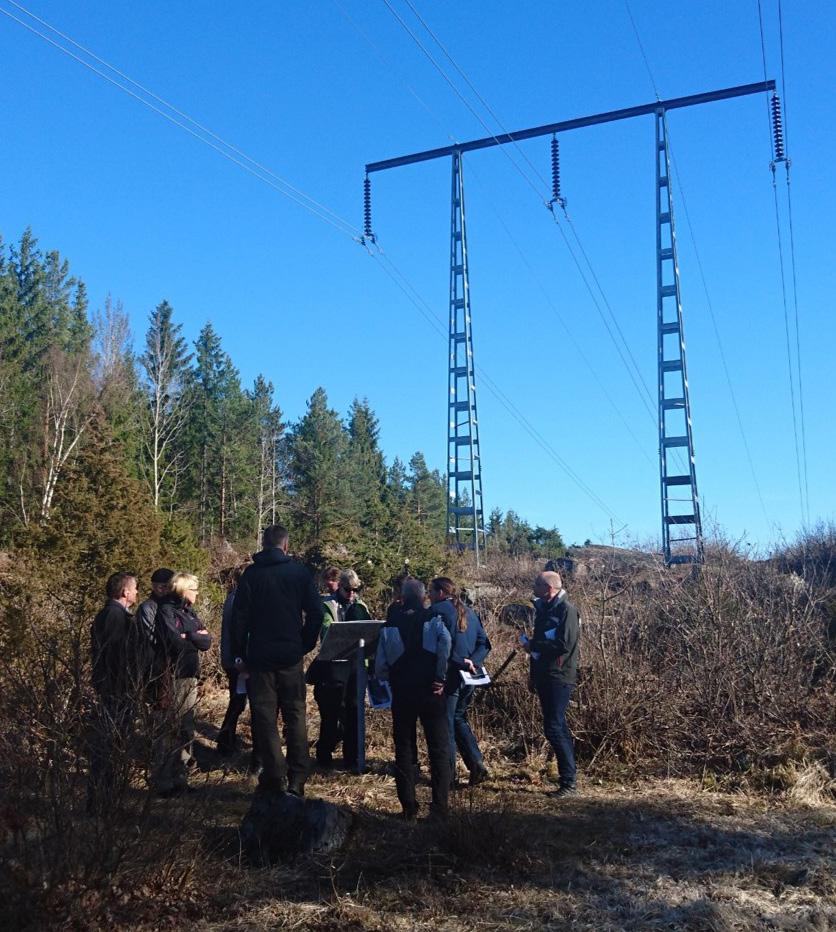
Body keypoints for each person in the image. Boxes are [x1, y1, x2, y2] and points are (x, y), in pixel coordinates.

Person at [232, 525, 323, 797]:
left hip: (259, 657)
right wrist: (304, 644)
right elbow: (316, 614)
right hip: (290, 656)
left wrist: (240, 654)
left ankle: (275, 775)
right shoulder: (298, 573)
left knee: (264, 718)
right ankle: (297, 779)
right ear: (285, 545)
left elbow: (239, 618)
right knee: (295, 716)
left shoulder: (252, 575)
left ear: (263, 544)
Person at [376, 577, 451, 821]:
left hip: (402, 691)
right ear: (423, 597)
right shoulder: (433, 619)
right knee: (438, 747)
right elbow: (445, 645)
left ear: (403, 597)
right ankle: (439, 806)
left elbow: (381, 662)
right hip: (431, 690)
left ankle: (408, 806)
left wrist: (388, 677)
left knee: (404, 748)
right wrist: (440, 677)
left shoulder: (391, 622)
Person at [152, 572, 212, 796]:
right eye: (194, 589)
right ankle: (164, 781)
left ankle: (181, 778)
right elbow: (174, 642)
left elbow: (206, 641)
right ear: (184, 589)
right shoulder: (166, 611)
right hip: (172, 676)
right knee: (168, 730)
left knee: (187, 729)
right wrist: (193, 636)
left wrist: (191, 636)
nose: (197, 593)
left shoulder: (190, 612)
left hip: (190, 675)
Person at [522, 570, 580, 798]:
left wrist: (534, 645)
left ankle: (569, 783)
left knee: (554, 728)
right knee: (556, 726)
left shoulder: (567, 611)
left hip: (559, 676)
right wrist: (533, 675)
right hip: (545, 676)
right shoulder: (544, 611)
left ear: (548, 588)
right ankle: (569, 779)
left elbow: (563, 644)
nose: (533, 586)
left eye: (537, 583)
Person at [428, 577, 492, 786]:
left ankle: (448, 776)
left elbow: (438, 647)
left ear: (440, 592)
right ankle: (476, 764)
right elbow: (485, 643)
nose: (428, 595)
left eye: (431, 591)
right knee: (458, 719)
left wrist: (460, 664)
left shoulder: (436, 612)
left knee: (446, 724)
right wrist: (473, 662)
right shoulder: (470, 612)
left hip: (450, 676)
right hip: (470, 677)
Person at [308, 568, 371, 769]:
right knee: (331, 713)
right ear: (340, 586)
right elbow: (326, 630)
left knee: (354, 712)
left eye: (355, 590)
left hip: (355, 667)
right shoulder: (328, 605)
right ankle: (324, 757)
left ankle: (352, 758)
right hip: (333, 667)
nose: (351, 594)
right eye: (347, 589)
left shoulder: (360, 605)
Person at [88, 571, 140, 810]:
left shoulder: (113, 614)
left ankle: (107, 800)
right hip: (115, 688)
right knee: (109, 746)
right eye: (135, 588)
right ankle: (103, 802)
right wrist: (126, 684)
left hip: (115, 686)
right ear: (125, 592)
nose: (138, 592)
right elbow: (116, 655)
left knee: (113, 745)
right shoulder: (114, 616)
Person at [216, 563, 253, 758]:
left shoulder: (235, 596)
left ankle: (227, 738)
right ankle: (225, 740)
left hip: (233, 658)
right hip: (236, 661)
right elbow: (234, 632)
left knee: (238, 701)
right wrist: (237, 658)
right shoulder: (238, 598)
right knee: (237, 701)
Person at [134, 567, 174, 694]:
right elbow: (150, 638)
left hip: (173, 663)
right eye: (165, 586)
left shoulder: (174, 606)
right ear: (156, 587)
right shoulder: (147, 608)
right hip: (154, 665)